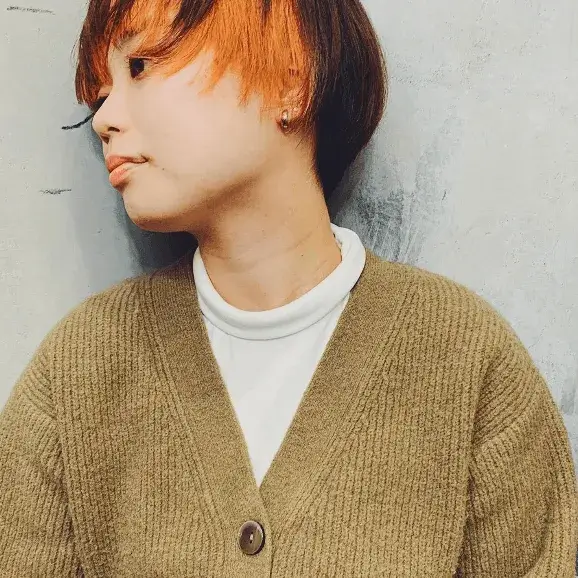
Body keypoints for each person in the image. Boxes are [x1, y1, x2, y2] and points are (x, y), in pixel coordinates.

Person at [1, 0, 576, 575]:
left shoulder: (466, 360)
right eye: (100, 96)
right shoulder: (78, 372)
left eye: (141, 66)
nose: (103, 120)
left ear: (290, 83)